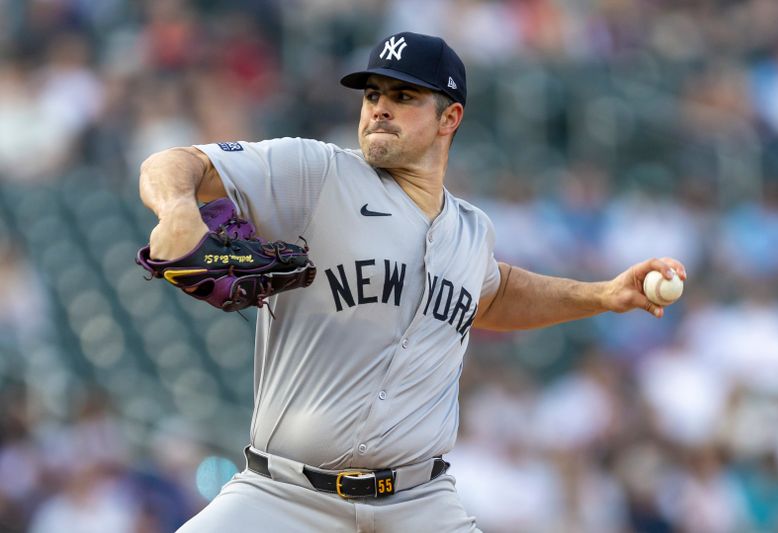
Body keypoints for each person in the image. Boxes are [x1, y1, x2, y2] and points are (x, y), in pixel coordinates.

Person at [139, 31, 686, 533]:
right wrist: (178, 209)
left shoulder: (472, 229)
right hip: (283, 497)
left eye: (403, 97)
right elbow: (172, 163)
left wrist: (604, 294)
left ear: (449, 118)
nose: (379, 108)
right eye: (372, 94)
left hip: (419, 505)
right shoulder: (317, 173)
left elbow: (494, 293)